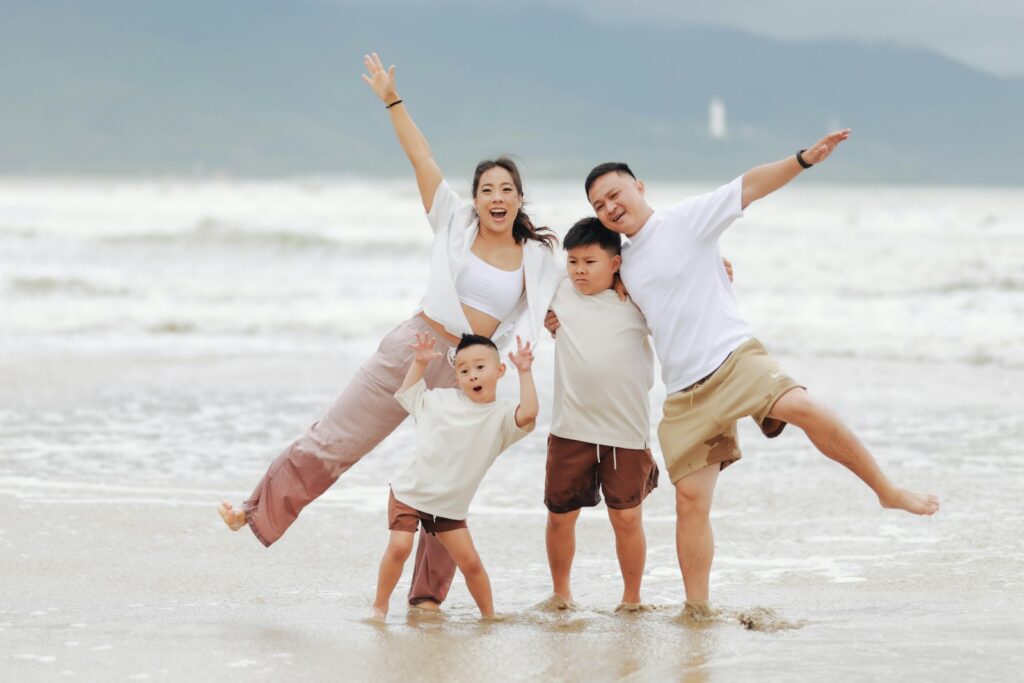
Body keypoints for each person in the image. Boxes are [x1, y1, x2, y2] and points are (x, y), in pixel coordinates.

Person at [219, 52, 562, 609]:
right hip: (416, 346)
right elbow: (421, 157)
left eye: (507, 189)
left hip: (474, 371)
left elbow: (590, 281)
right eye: (487, 190)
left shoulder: (541, 258)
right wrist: (392, 101)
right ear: (475, 198)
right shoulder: (454, 221)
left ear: (521, 198)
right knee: (337, 436)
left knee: (450, 483)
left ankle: (426, 598)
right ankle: (255, 509)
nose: (497, 198)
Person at [549, 130, 940, 610]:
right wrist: (554, 318)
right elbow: (593, 294)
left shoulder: (687, 220)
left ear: (639, 187)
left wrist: (803, 160)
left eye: (615, 193)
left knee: (802, 406)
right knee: (691, 503)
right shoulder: (620, 264)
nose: (609, 206)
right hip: (685, 394)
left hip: (734, 360)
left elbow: (749, 186)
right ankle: (698, 611)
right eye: (599, 203)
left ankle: (886, 489)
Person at [372, 333, 537, 620]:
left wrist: (525, 371)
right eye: (463, 371)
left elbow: (531, 412)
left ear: (499, 371)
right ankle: (379, 607)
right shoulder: (440, 400)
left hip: (448, 507)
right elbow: (409, 392)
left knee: (470, 562)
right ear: (457, 378)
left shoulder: (502, 416)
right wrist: (420, 362)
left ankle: (489, 616)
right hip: (410, 492)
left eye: (479, 367)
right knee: (400, 547)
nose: (472, 375)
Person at [542, 217, 659, 612]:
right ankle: (561, 595)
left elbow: (683, 285)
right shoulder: (558, 289)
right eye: (573, 261)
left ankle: (631, 600)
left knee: (626, 520)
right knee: (561, 516)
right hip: (570, 427)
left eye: (590, 261)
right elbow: (523, 267)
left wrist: (721, 268)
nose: (579, 270)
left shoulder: (637, 297)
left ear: (615, 263)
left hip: (625, 431)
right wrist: (546, 317)